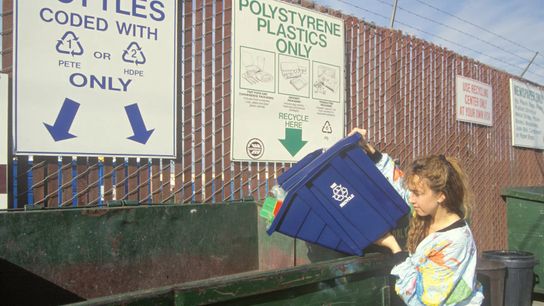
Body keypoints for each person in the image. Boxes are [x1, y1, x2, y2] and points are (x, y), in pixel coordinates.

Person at [349, 128, 483, 306]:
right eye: (412, 192)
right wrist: (370, 151)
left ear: (441, 196)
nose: (410, 199)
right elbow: (398, 184)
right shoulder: (428, 210)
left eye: (417, 193)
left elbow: (422, 300)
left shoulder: (455, 242)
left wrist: (394, 248)